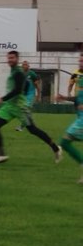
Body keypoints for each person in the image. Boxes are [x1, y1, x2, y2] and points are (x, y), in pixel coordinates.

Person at [0, 50, 62, 164]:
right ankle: (1, 155)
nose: (10, 60)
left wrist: (2, 98)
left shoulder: (18, 72)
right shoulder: (14, 71)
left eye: (12, 58)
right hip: (9, 107)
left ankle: (56, 148)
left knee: (33, 130)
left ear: (17, 59)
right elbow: (25, 85)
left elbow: (17, 90)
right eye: (9, 58)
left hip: (20, 108)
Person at [55, 53, 83, 183]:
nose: (80, 62)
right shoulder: (80, 78)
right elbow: (78, 98)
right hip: (80, 116)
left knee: (65, 142)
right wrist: (65, 98)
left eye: (82, 60)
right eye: (80, 59)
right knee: (65, 142)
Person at [16, 61, 41, 131]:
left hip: (31, 95)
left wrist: (38, 96)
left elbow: (37, 86)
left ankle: (21, 127)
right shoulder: (21, 74)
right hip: (23, 96)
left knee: (25, 109)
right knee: (26, 112)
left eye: (26, 65)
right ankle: (33, 124)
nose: (24, 66)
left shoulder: (32, 74)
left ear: (28, 66)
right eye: (23, 65)